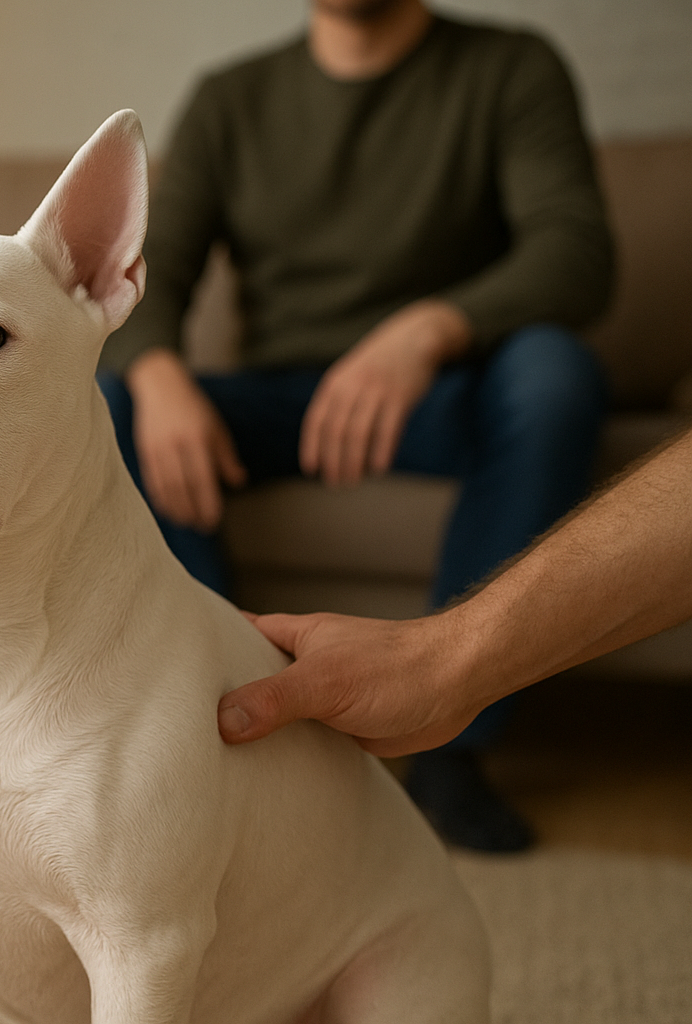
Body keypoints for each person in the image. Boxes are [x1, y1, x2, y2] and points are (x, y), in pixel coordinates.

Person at [98, 0, 615, 851]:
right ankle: (213, 707)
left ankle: (454, 746)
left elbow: (577, 253)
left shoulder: (511, 68)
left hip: (442, 394)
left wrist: (429, 328)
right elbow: (143, 276)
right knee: (110, 401)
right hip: (273, 399)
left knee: (555, 373)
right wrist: (158, 379)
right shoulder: (231, 99)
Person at [217, 427, 692, 756]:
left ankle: (454, 756)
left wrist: (434, 662)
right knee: (141, 396)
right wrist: (158, 370)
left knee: (551, 370)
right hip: (269, 383)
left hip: (460, 373)